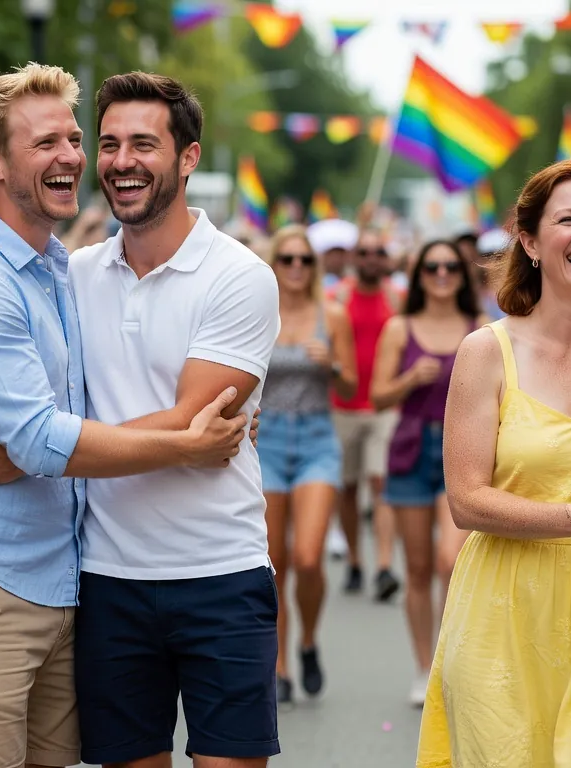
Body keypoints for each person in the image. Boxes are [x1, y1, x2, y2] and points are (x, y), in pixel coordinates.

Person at [0, 67, 264, 768]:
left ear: (188, 158)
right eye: (51, 142)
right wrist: (182, 443)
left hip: (73, 580)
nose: (76, 157)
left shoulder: (58, 268)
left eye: (74, 139)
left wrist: (20, 449)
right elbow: (43, 433)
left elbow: (60, 420)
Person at [417, 158, 571, 767]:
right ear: (529, 241)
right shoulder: (486, 352)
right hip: (502, 611)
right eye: (569, 219)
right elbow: (467, 500)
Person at [372, 239, 485, 706]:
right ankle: (424, 667)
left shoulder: (478, 328)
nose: (442, 274)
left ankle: (449, 661)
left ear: (463, 275)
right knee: (417, 569)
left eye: (451, 267)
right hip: (412, 450)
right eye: (432, 267)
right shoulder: (400, 329)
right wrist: (408, 380)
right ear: (418, 275)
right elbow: (377, 397)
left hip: (461, 451)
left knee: (450, 561)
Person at [259, 225, 356, 703]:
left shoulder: (331, 315)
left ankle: (310, 641)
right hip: (268, 439)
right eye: (287, 259)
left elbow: (353, 387)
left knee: (309, 557)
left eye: (304, 260)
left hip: (317, 435)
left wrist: (332, 364)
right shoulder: (259, 313)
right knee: (273, 563)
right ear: (273, 265)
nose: (296, 268)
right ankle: (279, 666)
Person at [328, 228, 402, 601]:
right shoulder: (336, 297)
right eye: (365, 252)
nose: (372, 258)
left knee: (380, 482)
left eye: (378, 252)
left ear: (386, 259)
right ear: (356, 259)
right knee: (348, 489)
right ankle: (357, 561)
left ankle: (385, 566)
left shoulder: (397, 298)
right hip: (341, 407)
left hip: (384, 407)